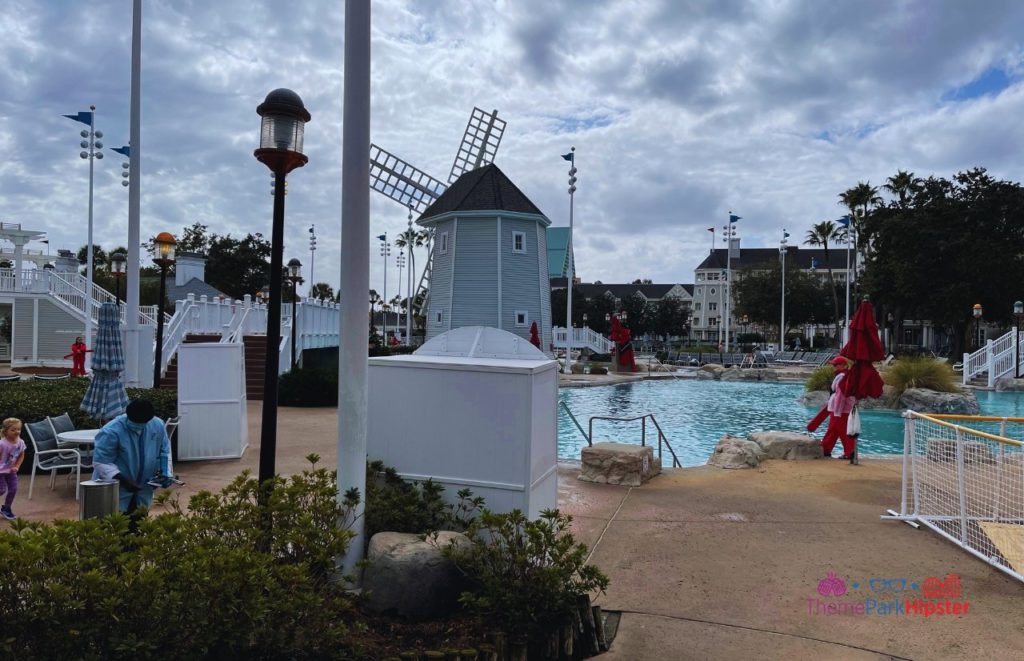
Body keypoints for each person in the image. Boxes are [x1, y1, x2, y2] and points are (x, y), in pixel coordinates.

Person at [93, 399, 173, 513]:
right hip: (116, 490)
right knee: (116, 525)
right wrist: (125, 482)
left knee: (139, 524)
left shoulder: (157, 425)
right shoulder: (111, 431)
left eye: (143, 422)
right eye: (135, 421)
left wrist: (165, 473)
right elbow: (101, 462)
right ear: (127, 415)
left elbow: (164, 451)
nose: (139, 425)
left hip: (144, 490)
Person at [819, 356, 857, 459]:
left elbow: (840, 395)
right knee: (834, 430)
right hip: (843, 409)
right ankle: (826, 449)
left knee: (841, 430)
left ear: (844, 365)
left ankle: (850, 452)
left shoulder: (841, 377)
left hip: (840, 410)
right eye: (834, 365)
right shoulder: (846, 375)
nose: (834, 367)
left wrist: (837, 410)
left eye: (836, 365)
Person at [0, 418, 27, 520]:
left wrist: (17, 466)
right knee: (1, 490)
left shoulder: (21, 442)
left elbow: (21, 455)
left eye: (19, 429)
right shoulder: (2, 444)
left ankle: (6, 509)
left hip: (11, 471)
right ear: (6, 431)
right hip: (1, 472)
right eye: (13, 430)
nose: (17, 432)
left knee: (13, 489)